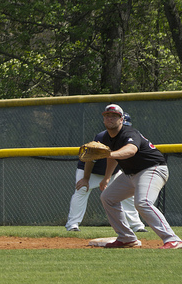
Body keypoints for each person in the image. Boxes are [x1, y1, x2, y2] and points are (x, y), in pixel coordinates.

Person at [98, 103, 182, 249]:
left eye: (114, 116)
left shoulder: (129, 133)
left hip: (152, 169)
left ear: (121, 119)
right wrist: (106, 177)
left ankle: (173, 239)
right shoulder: (106, 137)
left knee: (143, 202)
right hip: (130, 174)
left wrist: (109, 153)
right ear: (104, 119)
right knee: (107, 197)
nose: (110, 118)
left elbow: (130, 150)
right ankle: (126, 238)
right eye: (107, 116)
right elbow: (112, 158)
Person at [65, 112, 146, 233]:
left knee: (128, 195)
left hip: (113, 172)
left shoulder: (131, 137)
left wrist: (108, 178)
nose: (124, 128)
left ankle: (137, 225)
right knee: (82, 190)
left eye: (126, 126)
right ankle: (72, 225)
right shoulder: (103, 136)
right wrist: (86, 178)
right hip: (90, 171)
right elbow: (91, 159)